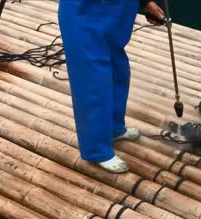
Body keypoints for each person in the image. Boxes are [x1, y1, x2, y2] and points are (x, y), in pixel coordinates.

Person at [58, 0, 164, 173]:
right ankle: (97, 149)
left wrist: (146, 2)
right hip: (86, 14)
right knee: (93, 81)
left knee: (118, 70)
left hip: (116, 16)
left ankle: (114, 128)